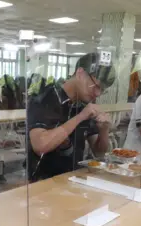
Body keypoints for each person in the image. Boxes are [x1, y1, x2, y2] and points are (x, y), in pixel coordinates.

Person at [27, 52, 115, 182]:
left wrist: (104, 130)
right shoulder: (46, 98)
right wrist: (80, 117)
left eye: (102, 90)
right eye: (95, 86)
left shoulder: (85, 103)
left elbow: (99, 152)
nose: (97, 93)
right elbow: (40, 145)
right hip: (43, 183)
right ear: (80, 73)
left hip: (75, 179)